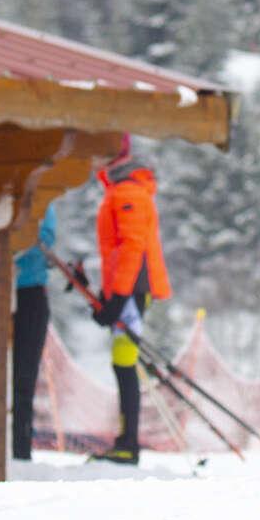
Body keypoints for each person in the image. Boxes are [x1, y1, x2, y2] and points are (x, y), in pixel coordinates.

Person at [90, 136, 171, 464]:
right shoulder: (123, 191)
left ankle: (128, 444)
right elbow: (118, 253)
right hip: (127, 290)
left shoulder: (128, 193)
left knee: (124, 363)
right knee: (122, 362)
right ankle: (126, 441)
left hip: (133, 290)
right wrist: (107, 294)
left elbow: (131, 248)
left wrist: (118, 297)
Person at [11, 201, 56, 461]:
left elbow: (45, 239)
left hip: (29, 292)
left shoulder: (44, 202)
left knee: (23, 378)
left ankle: (20, 447)